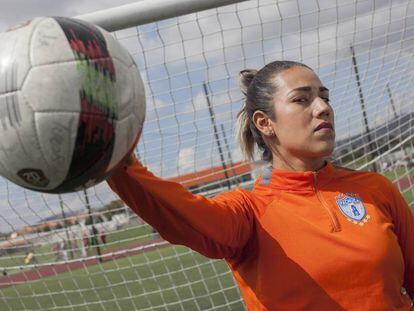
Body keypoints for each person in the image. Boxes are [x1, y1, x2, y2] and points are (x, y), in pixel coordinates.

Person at [106, 61, 414, 310]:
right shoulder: (248, 211)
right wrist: (115, 160)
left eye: (325, 96)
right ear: (265, 123)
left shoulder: (376, 189)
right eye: (302, 99)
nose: (323, 107)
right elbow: (178, 212)